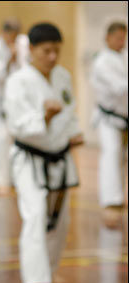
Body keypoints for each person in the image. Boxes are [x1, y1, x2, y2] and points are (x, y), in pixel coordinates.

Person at [4, 23, 84, 283]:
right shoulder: (18, 81)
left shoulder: (63, 76)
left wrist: (74, 131)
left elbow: (71, 108)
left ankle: (49, 270)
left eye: (56, 51)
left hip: (60, 157)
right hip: (30, 159)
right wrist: (45, 117)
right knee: (36, 214)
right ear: (33, 50)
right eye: (46, 50)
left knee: (60, 220)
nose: (52, 56)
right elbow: (17, 125)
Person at [0, 18, 30, 195]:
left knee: (18, 135)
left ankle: (16, 177)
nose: (14, 39)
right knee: (2, 135)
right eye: (11, 35)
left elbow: (27, 70)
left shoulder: (24, 43)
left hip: (18, 98)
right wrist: (10, 59)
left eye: (17, 35)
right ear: (3, 32)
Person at [89, 22, 128, 229]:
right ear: (107, 37)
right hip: (108, 117)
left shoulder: (124, 56)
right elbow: (119, 88)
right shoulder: (101, 61)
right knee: (112, 155)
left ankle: (120, 196)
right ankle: (111, 201)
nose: (122, 42)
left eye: (124, 37)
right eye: (118, 38)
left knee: (122, 158)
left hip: (124, 116)